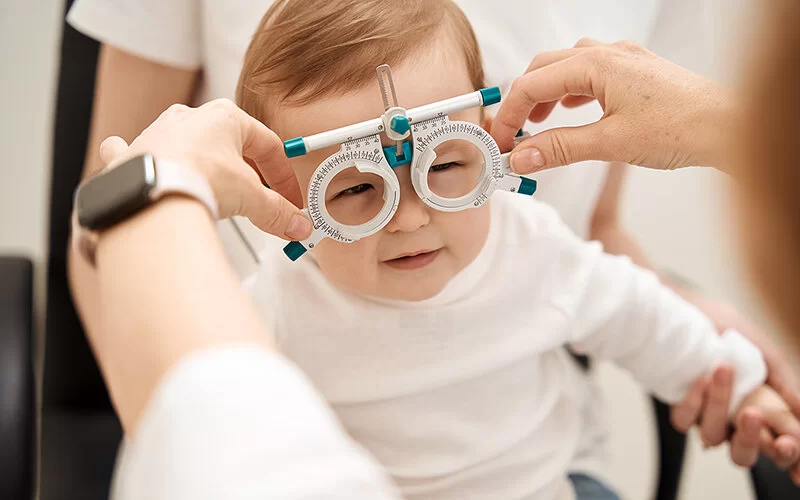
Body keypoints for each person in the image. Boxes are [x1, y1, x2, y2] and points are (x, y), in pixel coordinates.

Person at [65, 0, 800, 476]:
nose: (411, 216)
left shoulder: (531, 246)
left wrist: (737, 385)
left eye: (447, 164)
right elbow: (200, 417)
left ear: (488, 139)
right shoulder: (276, 303)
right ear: (288, 195)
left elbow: (643, 317)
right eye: (357, 189)